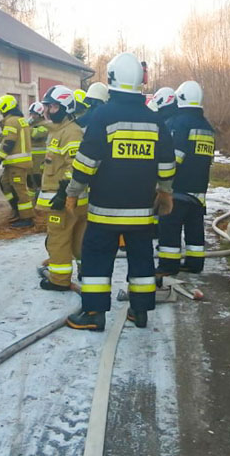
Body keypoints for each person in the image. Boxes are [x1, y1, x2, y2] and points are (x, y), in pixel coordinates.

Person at [65, 52, 175, 331]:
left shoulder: (103, 116)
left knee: (97, 260)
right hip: (141, 213)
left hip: (105, 212)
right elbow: (166, 163)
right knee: (141, 261)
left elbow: (87, 161)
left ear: (112, 78)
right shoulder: (155, 120)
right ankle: (139, 312)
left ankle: (93, 313)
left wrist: (73, 191)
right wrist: (165, 192)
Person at [156, 81, 214, 277]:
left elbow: (175, 157)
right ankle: (195, 262)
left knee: (169, 228)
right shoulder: (207, 127)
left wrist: (161, 181)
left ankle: (168, 265)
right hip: (199, 189)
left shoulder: (179, 123)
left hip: (178, 188)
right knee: (194, 228)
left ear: (180, 99)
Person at [35, 85, 87, 291]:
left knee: (58, 239)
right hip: (70, 198)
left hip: (64, 199)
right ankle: (87, 271)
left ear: (65, 108)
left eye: (53, 107)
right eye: (47, 107)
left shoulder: (71, 133)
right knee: (77, 240)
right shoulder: (61, 130)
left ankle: (59, 280)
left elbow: (73, 167)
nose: (48, 111)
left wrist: (63, 194)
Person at [0, 94, 35, 228]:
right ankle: (16, 211)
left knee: (20, 190)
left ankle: (27, 218)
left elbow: (9, 142)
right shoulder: (19, 120)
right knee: (5, 184)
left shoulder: (12, 121)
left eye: (0, 109)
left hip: (17, 163)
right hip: (14, 163)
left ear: (5, 107)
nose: (0, 112)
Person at [27, 101, 49, 192]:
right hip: (30, 157)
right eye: (31, 114)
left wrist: (26, 128)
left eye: (34, 114)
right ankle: (32, 200)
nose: (32, 116)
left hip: (40, 158)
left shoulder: (45, 124)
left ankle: (40, 195)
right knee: (29, 179)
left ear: (40, 114)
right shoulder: (30, 124)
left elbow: (36, 134)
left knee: (38, 177)